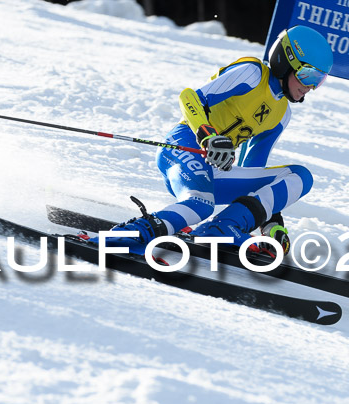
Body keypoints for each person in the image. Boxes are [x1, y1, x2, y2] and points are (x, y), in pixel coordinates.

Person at [100, 25, 333, 255]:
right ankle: (130, 234)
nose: (310, 87)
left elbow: (254, 170)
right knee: (201, 204)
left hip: (216, 169)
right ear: (286, 62)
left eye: (319, 80)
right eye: (307, 75)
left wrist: (270, 221)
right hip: (184, 145)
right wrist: (208, 135)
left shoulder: (282, 114)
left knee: (300, 177)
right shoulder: (252, 74)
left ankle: (223, 227)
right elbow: (189, 98)